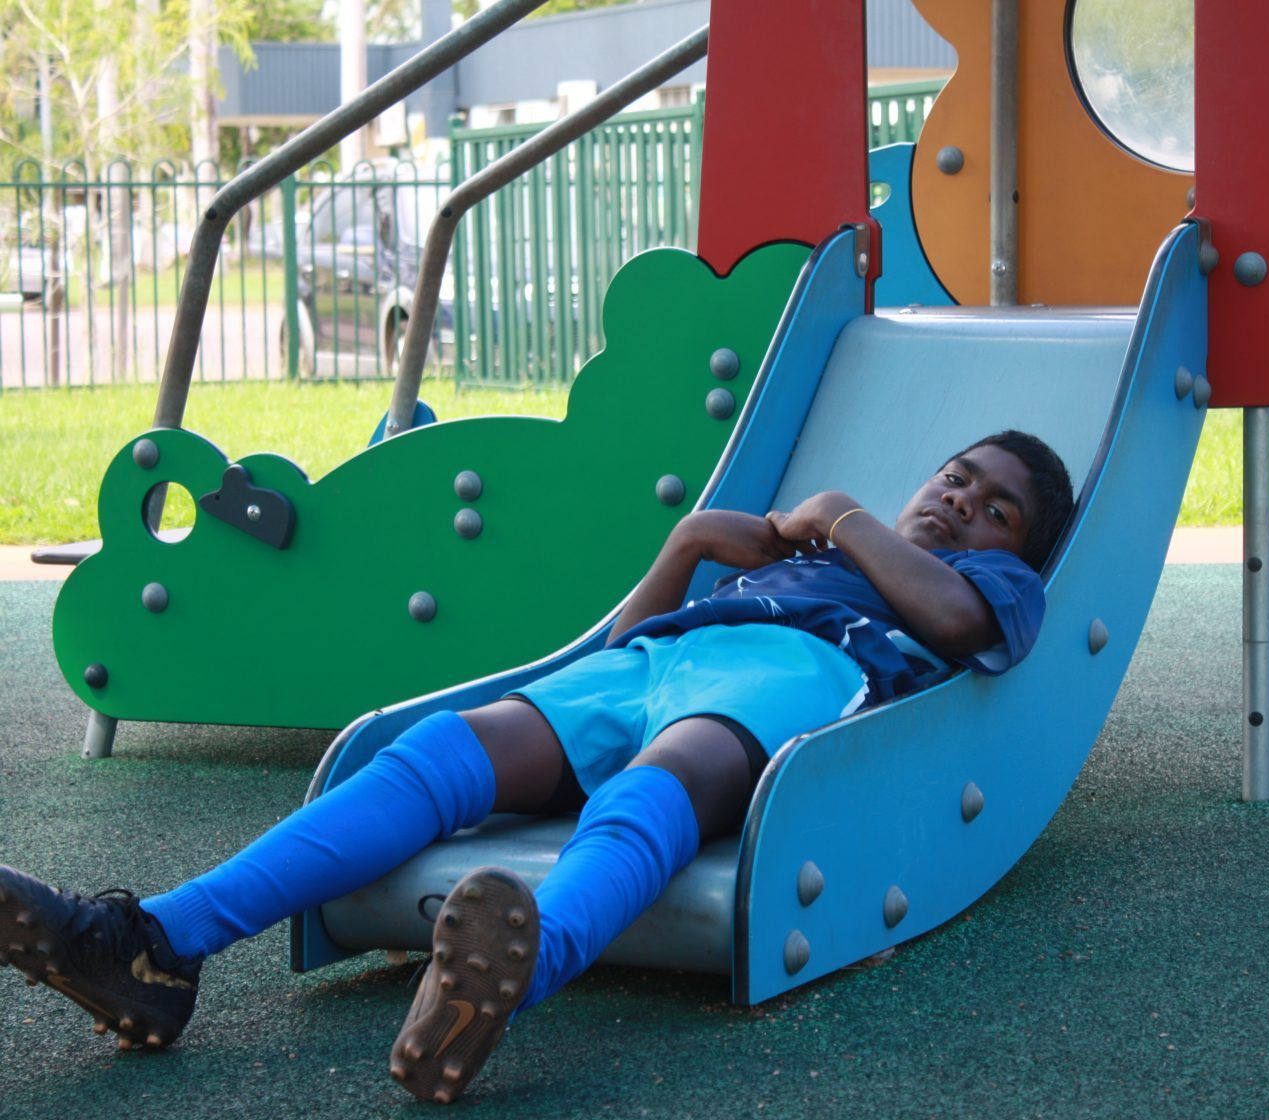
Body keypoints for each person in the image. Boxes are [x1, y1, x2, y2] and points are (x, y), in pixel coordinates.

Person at [0, 430, 1074, 1104]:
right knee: (440, 755)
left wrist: (842, 518)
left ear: (1012, 550)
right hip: (652, 663)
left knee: (656, 786)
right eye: (955, 477)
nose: (961, 505)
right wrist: (694, 541)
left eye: (996, 511)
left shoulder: (982, 584)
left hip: (790, 677)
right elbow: (618, 643)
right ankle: (155, 943)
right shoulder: (804, 554)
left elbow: (955, 615)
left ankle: (519, 967)